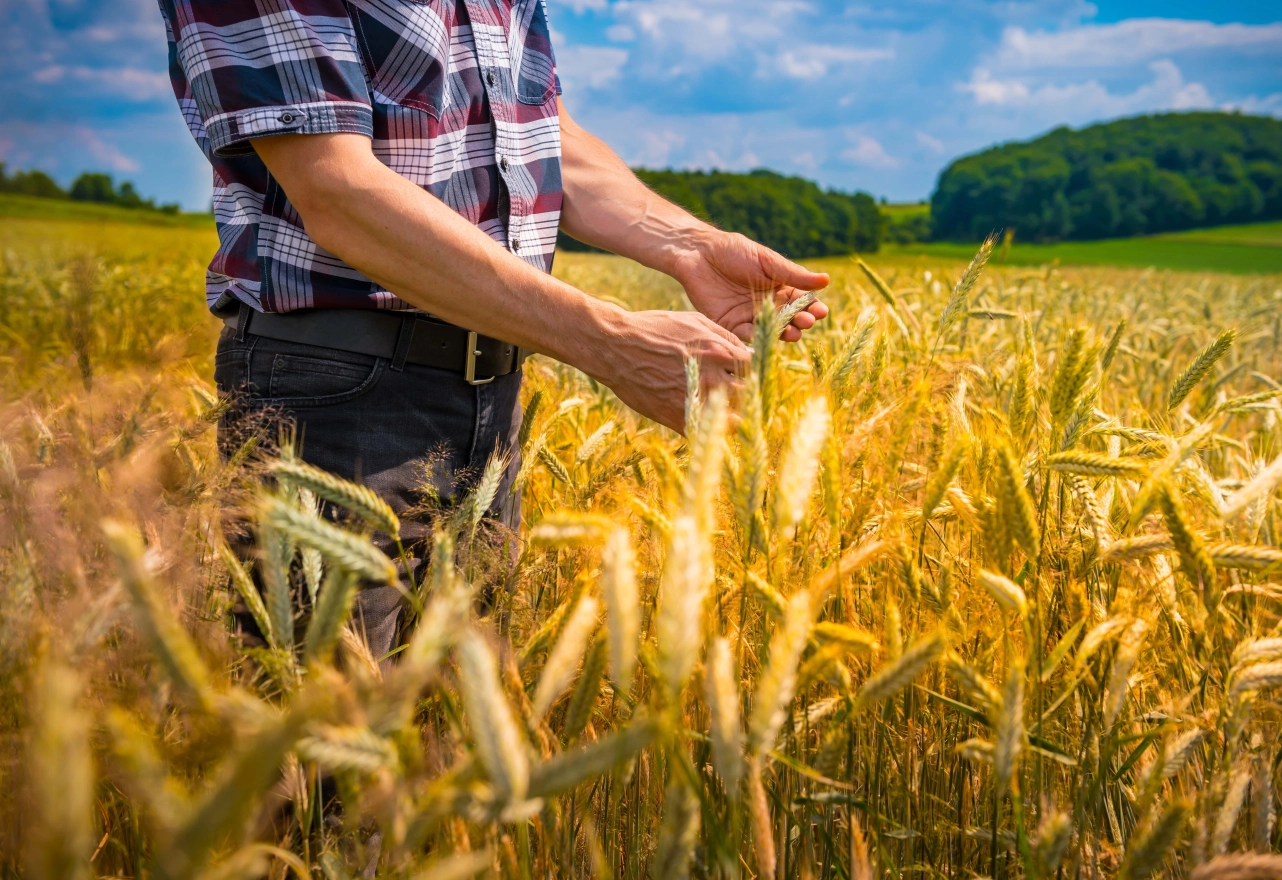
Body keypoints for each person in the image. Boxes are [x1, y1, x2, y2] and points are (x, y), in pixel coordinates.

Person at [159, 0, 830, 656]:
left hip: (494, 399)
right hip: (337, 397)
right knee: (326, 740)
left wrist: (687, 243)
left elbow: (542, 134)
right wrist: (612, 343)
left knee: (458, 745)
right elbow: (336, 189)